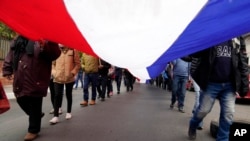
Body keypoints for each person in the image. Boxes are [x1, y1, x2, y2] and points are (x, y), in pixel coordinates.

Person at [188, 38, 249, 141]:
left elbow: (242, 61)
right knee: (203, 111)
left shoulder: (237, 37)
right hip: (211, 83)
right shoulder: (213, 33)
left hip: (230, 85)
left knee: (228, 114)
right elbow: (195, 53)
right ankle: (193, 125)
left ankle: (222, 139)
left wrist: (244, 84)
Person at [2, 35, 61, 141]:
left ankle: (33, 130)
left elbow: (55, 54)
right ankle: (37, 116)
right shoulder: (18, 39)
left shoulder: (45, 37)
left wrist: (45, 46)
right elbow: (10, 55)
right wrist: (7, 69)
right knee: (20, 99)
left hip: (37, 76)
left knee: (35, 102)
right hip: (20, 76)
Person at [49, 45, 80, 124]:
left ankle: (69, 112)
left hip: (69, 78)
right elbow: (52, 64)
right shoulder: (56, 50)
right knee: (57, 95)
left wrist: (72, 73)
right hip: (57, 77)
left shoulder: (73, 50)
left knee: (68, 94)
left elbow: (77, 64)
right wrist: (54, 73)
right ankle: (56, 116)